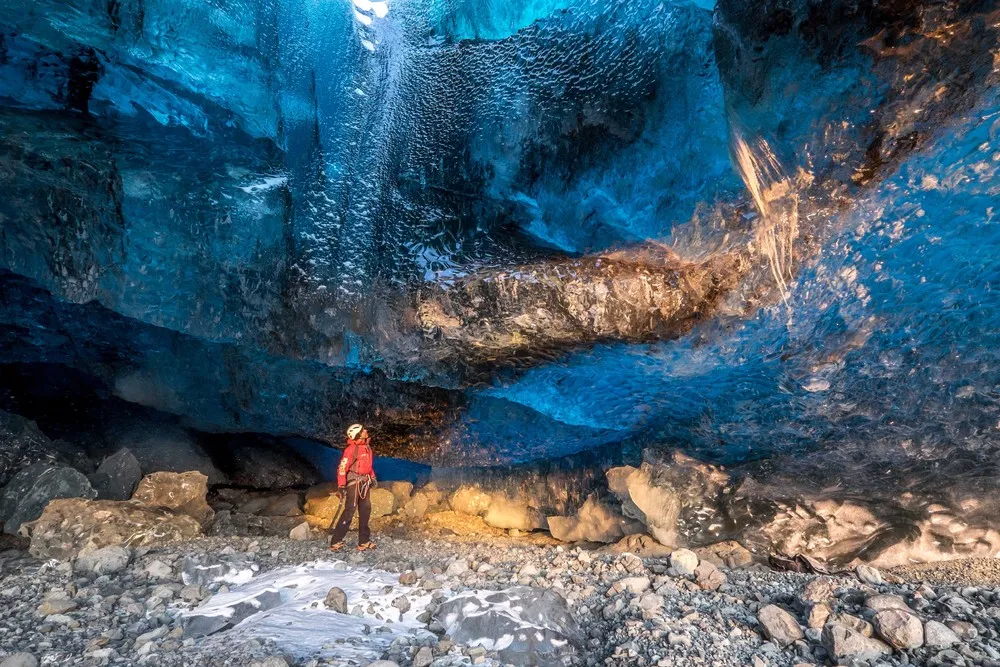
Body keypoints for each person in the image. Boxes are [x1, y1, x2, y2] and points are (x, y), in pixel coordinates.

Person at [328, 423, 377, 551]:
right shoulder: (351, 449)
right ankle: (336, 540)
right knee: (350, 510)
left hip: (364, 482)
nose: (366, 431)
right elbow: (343, 467)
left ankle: (364, 541)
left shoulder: (367, 447)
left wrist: (372, 477)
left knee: (366, 510)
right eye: (363, 430)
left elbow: (368, 466)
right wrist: (341, 485)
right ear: (358, 435)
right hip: (354, 483)